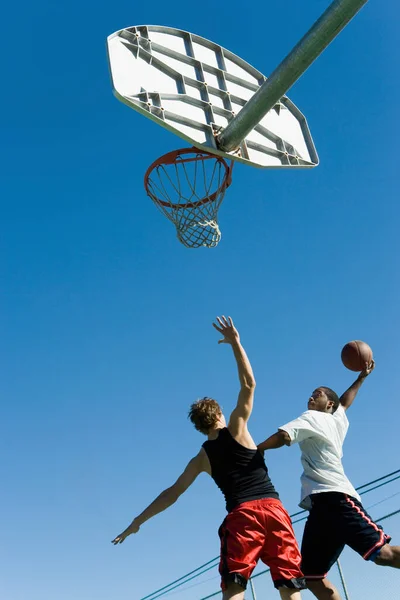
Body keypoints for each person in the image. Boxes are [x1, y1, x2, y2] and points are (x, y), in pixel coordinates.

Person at [112, 316, 306, 600]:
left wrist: (137, 521)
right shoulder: (238, 428)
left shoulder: (201, 458)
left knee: (235, 585)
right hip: (275, 510)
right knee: (289, 584)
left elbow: (171, 494)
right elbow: (249, 385)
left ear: (200, 426)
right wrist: (236, 344)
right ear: (218, 415)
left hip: (243, 516)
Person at [258, 361, 400, 600]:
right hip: (321, 508)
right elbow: (345, 402)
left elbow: (284, 436)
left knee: (383, 555)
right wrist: (362, 378)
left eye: (318, 394)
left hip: (336, 498)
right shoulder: (336, 420)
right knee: (311, 575)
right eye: (312, 394)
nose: (312, 397)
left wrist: (257, 449)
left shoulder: (312, 417)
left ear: (328, 404)